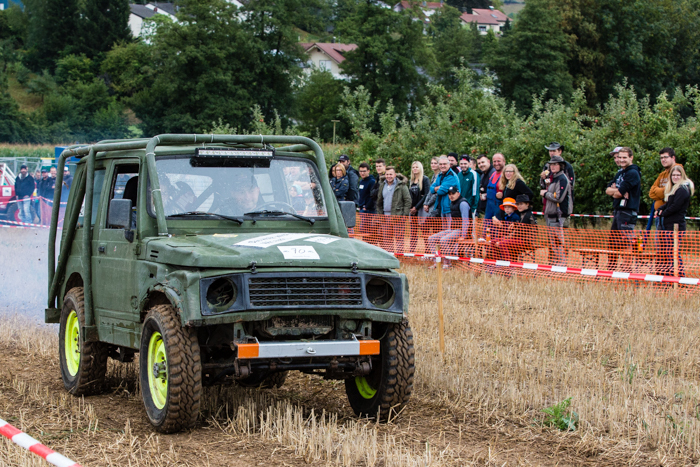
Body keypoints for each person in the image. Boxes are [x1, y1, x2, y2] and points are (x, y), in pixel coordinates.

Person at [655, 165, 693, 276]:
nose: (675, 177)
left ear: (682, 176)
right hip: (669, 224)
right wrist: (661, 209)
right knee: (669, 252)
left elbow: (675, 206)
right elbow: (669, 204)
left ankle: (679, 276)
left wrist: (663, 214)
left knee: (673, 253)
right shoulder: (674, 188)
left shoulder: (682, 190)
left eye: (678, 175)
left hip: (676, 225)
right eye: (673, 175)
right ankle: (671, 276)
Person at [605, 147, 641, 255]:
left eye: (624, 157)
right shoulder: (620, 173)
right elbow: (607, 190)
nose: (621, 160)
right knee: (614, 243)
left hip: (628, 211)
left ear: (631, 158)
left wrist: (617, 191)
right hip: (618, 210)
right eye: (619, 157)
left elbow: (619, 194)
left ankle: (627, 265)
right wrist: (616, 191)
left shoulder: (633, 173)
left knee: (626, 242)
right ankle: (613, 265)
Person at [427, 186, 470, 269]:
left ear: (458, 193)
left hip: (461, 230)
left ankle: (447, 263)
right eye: (449, 194)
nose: (451, 196)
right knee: (431, 238)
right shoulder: (452, 203)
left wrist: (463, 236)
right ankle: (436, 262)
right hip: (453, 229)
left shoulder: (463, 204)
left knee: (443, 240)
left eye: (453, 193)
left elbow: (466, 221)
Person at [540, 155, 571, 266]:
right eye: (551, 164)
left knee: (558, 243)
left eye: (555, 164)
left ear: (561, 166)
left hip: (558, 215)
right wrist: (543, 180)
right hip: (550, 214)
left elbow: (559, 197)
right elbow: (544, 185)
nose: (552, 167)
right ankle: (556, 265)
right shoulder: (553, 178)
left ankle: (561, 265)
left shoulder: (562, 179)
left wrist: (545, 194)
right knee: (553, 243)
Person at [493, 195, 537, 262]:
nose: (519, 206)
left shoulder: (528, 216)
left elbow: (521, 232)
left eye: (521, 204)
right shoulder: (521, 214)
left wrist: (507, 237)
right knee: (493, 241)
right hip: (517, 238)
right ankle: (495, 263)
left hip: (526, 241)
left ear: (527, 204)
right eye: (518, 204)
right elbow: (518, 229)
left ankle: (508, 265)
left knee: (502, 243)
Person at [376, 166, 411, 252]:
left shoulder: (401, 185)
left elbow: (408, 201)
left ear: (395, 175)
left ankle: (399, 256)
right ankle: (389, 256)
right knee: (387, 239)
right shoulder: (382, 185)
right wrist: (380, 214)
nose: (389, 176)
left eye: (391, 174)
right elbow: (379, 201)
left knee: (399, 239)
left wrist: (404, 215)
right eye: (387, 174)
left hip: (398, 216)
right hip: (385, 217)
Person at [649, 147, 681, 231]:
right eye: (661, 158)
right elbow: (651, 193)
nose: (663, 160)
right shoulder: (662, 174)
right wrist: (663, 192)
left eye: (665, 157)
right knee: (659, 240)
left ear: (673, 158)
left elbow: (671, 191)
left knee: (670, 239)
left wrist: (660, 191)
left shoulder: (677, 173)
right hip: (659, 215)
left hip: (670, 216)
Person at [429, 156, 460, 228]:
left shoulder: (451, 176)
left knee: (449, 230)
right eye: (440, 164)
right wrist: (438, 187)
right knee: (444, 230)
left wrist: (437, 188)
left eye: (444, 164)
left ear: (449, 164)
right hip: (442, 207)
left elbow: (441, 191)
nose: (442, 166)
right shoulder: (440, 175)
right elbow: (431, 189)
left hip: (450, 208)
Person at [408, 161, 430, 252]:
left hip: (421, 209)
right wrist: (411, 208)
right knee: (413, 233)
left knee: (424, 232)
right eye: (413, 167)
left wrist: (416, 207)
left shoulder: (425, 179)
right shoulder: (411, 181)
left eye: (416, 167)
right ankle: (411, 252)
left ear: (420, 168)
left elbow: (426, 195)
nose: (415, 169)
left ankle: (428, 252)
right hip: (412, 211)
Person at [484, 153, 505, 220]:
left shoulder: (505, 175)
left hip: (499, 207)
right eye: (494, 161)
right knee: (486, 225)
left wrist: (503, 195)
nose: (496, 163)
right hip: (489, 207)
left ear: (504, 162)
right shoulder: (493, 174)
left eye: (499, 161)